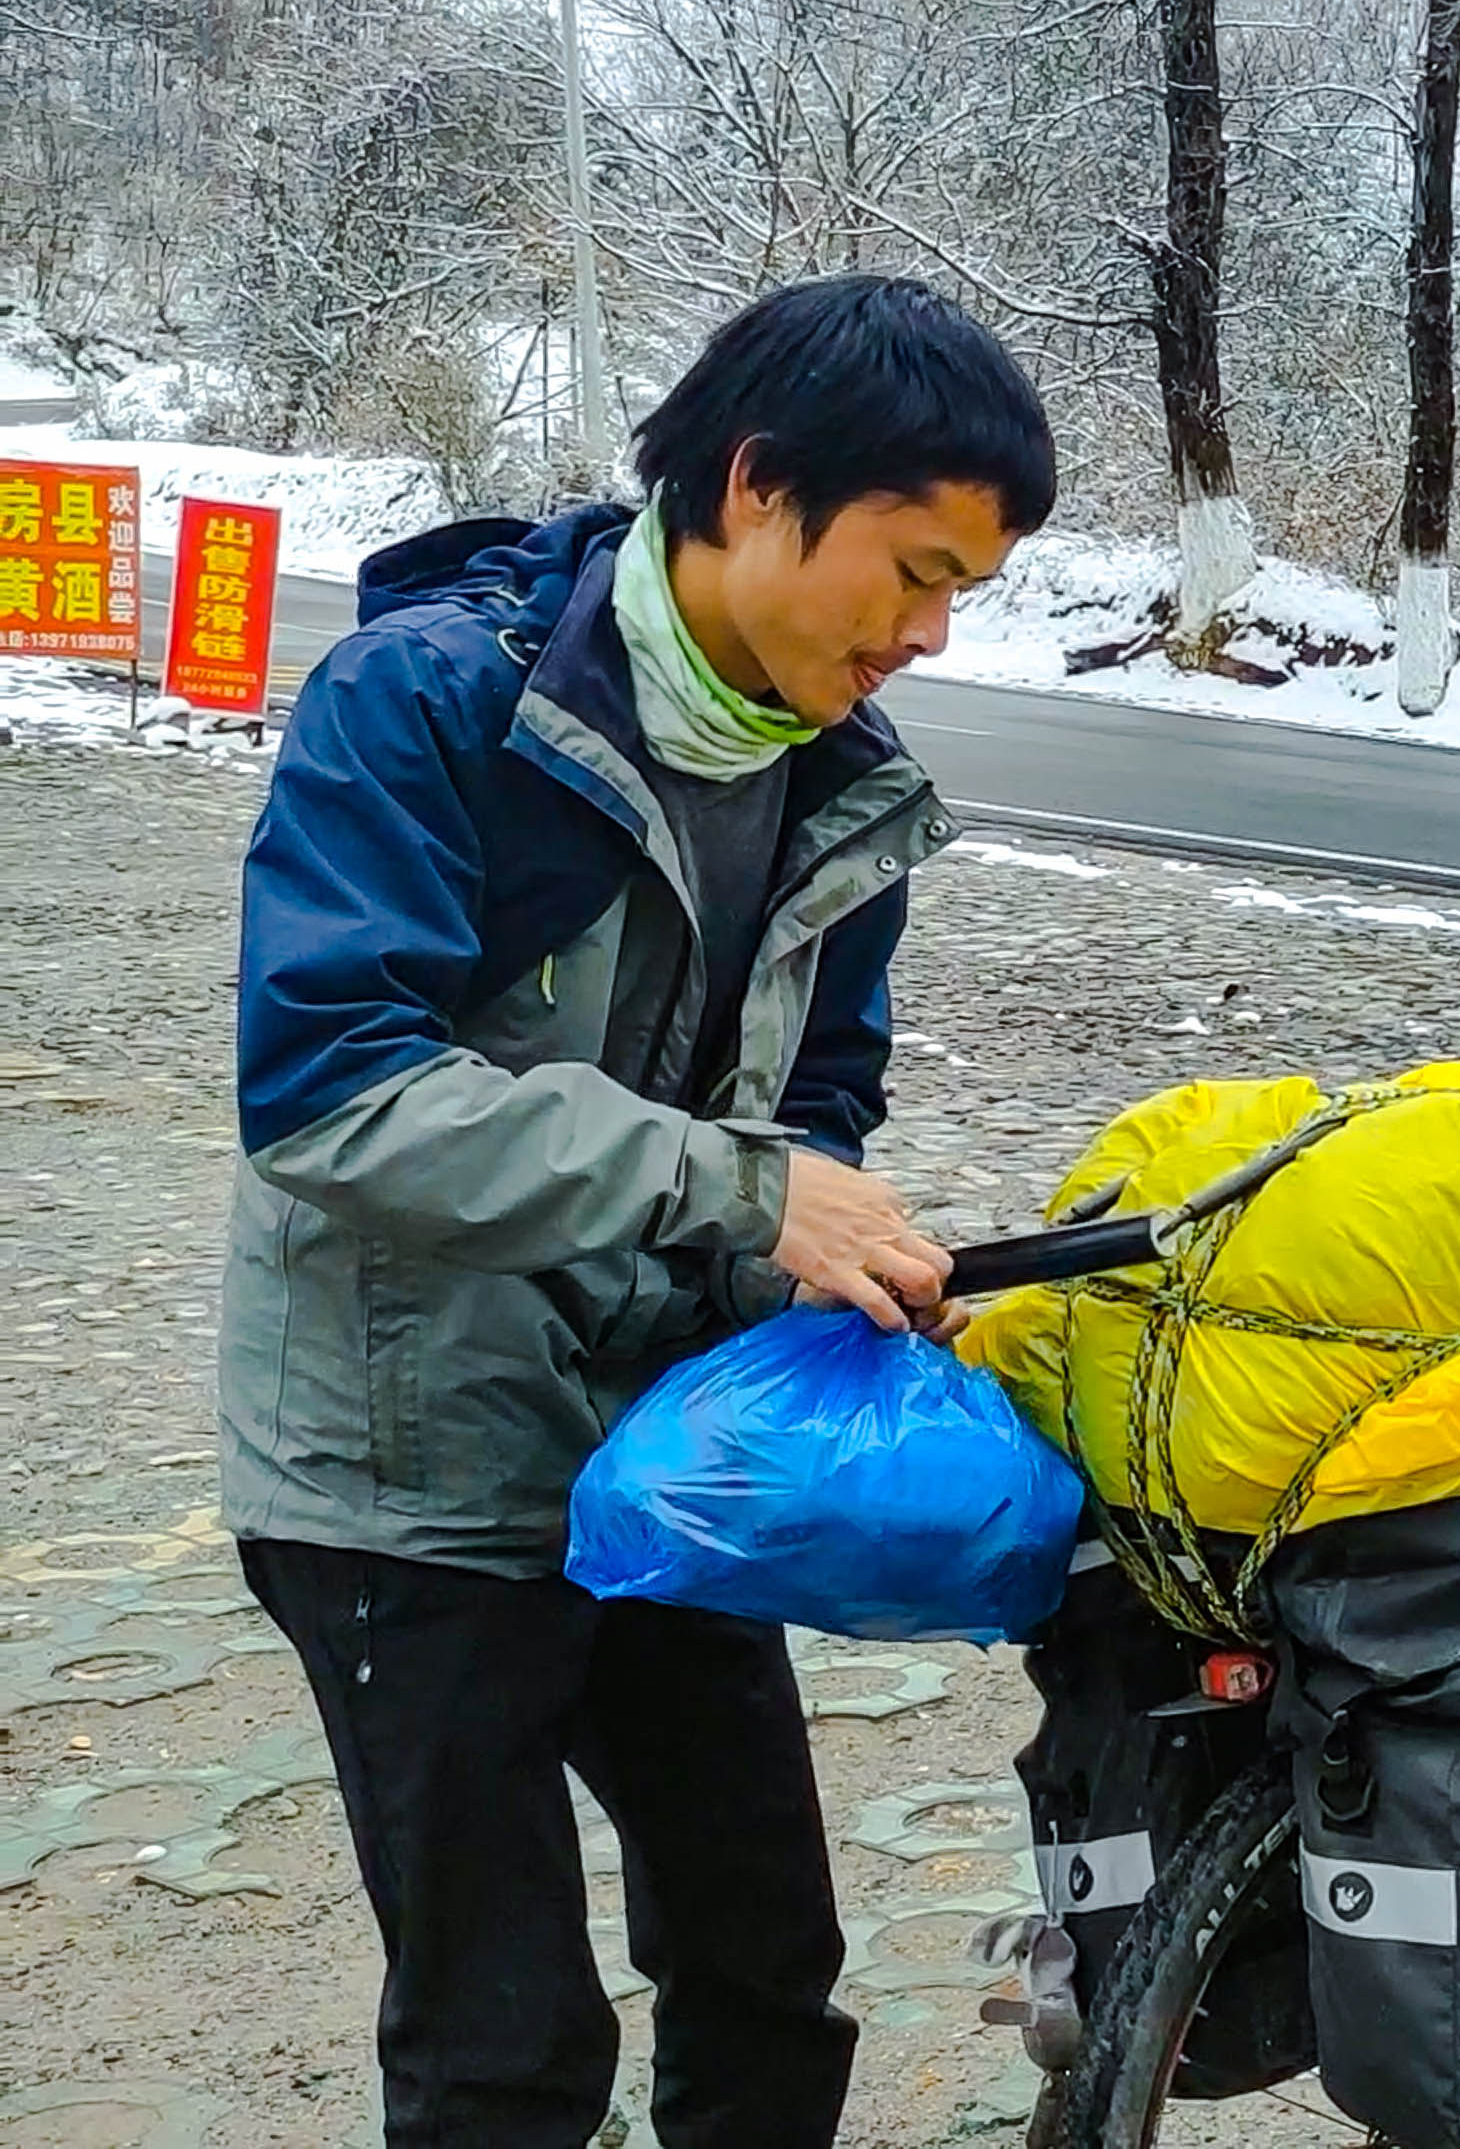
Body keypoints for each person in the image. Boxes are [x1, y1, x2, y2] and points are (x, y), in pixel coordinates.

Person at [219, 274, 1054, 2149]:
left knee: (767, 1957)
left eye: (960, 598)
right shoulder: (428, 703)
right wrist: (750, 1188)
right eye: (911, 572)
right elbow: (333, 1098)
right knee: (502, 2038)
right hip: (402, 1478)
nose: (925, 636)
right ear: (757, 487)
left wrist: (823, 1263)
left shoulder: (846, 789)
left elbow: (819, 1098)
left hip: (669, 1450)